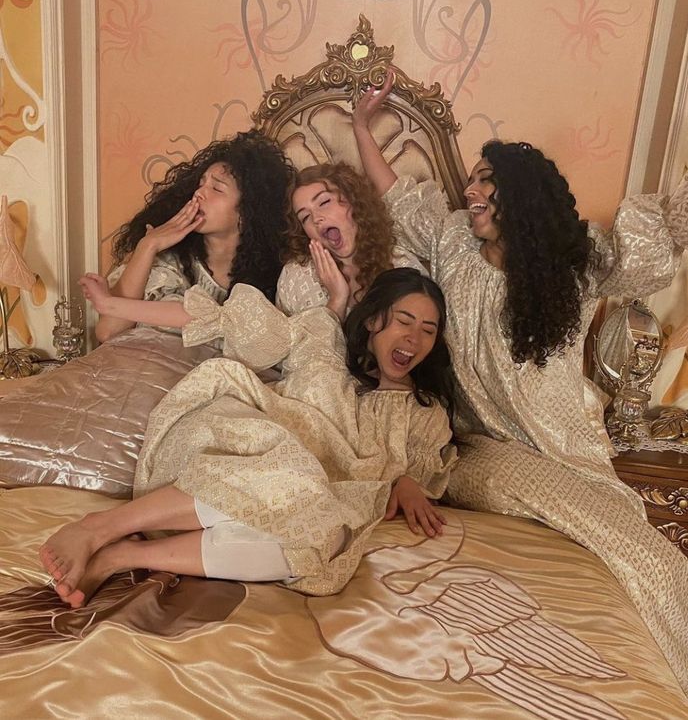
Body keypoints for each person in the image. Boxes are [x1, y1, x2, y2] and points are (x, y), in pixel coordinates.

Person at [351, 70, 688, 697]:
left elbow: (677, 225)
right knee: (642, 555)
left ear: (521, 199)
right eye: (471, 179)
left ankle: (666, 688)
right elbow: (392, 193)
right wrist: (363, 128)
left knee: (659, 563)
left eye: (484, 181)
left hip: (572, 457)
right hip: (479, 456)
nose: (470, 191)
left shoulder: (575, 268)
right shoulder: (450, 243)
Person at [40, 267, 457, 608]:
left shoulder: (425, 414)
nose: (413, 338)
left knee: (321, 540)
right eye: (404, 321)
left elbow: (415, 476)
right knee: (291, 475)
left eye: (428, 330)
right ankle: (100, 527)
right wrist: (112, 305)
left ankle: (125, 556)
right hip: (234, 447)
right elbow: (224, 320)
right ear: (372, 320)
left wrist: (406, 482)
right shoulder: (321, 344)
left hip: (297, 499)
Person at [97, 130, 294, 342]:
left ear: (248, 212)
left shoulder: (282, 274)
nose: (199, 193)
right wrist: (148, 246)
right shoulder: (170, 263)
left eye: (217, 188)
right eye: (200, 184)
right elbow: (107, 332)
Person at [276, 162, 426, 316]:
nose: (316, 218)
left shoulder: (400, 263)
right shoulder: (294, 278)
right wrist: (337, 299)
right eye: (305, 217)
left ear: (353, 201)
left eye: (324, 202)